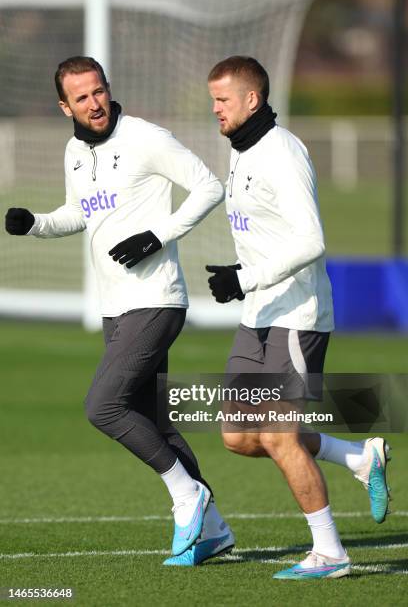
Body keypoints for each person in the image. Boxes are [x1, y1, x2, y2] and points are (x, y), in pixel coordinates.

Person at [4, 56, 235, 566]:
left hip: (156, 299)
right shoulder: (73, 151)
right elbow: (78, 214)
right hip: (115, 307)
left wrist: (159, 235)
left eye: (99, 91)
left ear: (109, 89)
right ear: (65, 105)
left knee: (103, 406)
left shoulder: (146, 138)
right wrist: (36, 224)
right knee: (159, 423)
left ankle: (186, 495)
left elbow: (209, 186)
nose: (94, 103)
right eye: (81, 97)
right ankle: (214, 531)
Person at [199, 55, 389, 579]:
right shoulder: (241, 150)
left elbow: (311, 240)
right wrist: (242, 273)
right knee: (239, 436)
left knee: (279, 434)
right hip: (258, 312)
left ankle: (331, 553)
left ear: (251, 100)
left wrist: (246, 277)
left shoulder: (282, 152)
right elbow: (268, 236)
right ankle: (358, 458)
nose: (213, 109)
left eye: (221, 100)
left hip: (297, 316)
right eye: (212, 99)